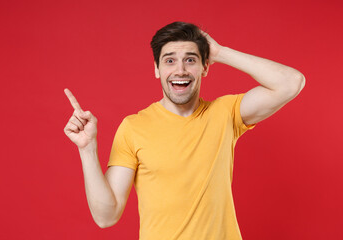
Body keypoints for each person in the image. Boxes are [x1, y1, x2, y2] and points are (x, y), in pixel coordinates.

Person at [63, 22, 305, 240]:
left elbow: (291, 82)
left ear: (204, 67)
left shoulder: (225, 113)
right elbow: (107, 216)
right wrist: (87, 149)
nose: (180, 70)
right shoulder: (133, 127)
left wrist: (220, 53)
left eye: (190, 59)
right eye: (169, 60)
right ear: (157, 69)